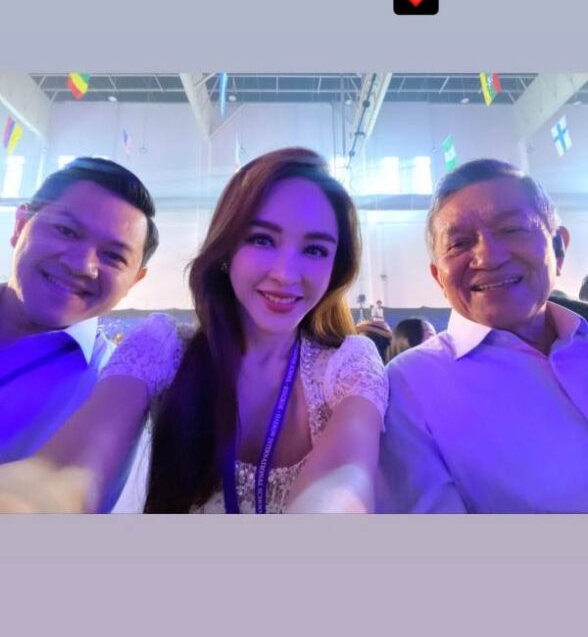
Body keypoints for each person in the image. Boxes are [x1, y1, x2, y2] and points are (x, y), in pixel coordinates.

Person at [0, 148, 387, 514]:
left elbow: (345, 480)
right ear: (227, 250)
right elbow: (70, 469)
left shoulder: (348, 365)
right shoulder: (163, 348)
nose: (285, 274)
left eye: (315, 250)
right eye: (262, 240)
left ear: (336, 267)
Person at [378, 158, 588, 514]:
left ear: (558, 247)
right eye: (459, 243)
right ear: (438, 277)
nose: (488, 257)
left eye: (511, 229)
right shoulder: (409, 386)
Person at [0, 156, 158, 509]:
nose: (81, 265)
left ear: (135, 280)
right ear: (20, 224)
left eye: (113, 256)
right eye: (66, 231)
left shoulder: (112, 394)